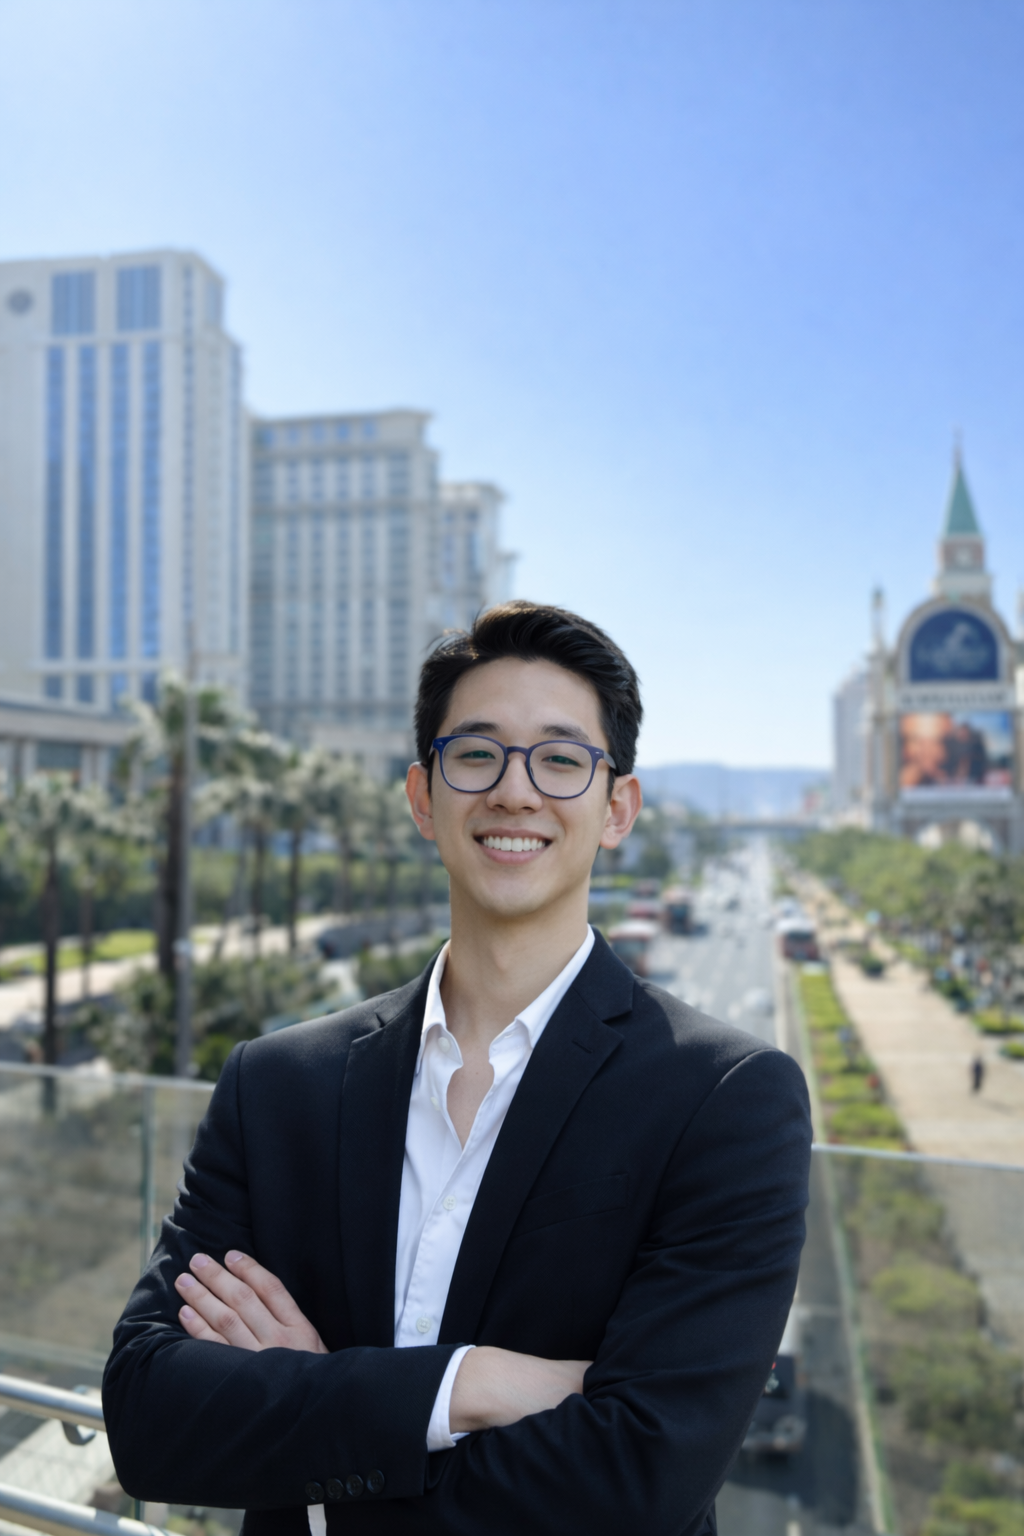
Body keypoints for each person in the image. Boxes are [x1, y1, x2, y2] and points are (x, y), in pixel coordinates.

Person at [103, 601, 811, 1536]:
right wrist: (466, 1385)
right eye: (476, 753)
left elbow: (644, 1475)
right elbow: (151, 1417)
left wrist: (318, 1422)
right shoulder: (278, 1086)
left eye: (561, 760)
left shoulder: (727, 1097)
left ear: (618, 809)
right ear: (423, 797)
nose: (516, 792)